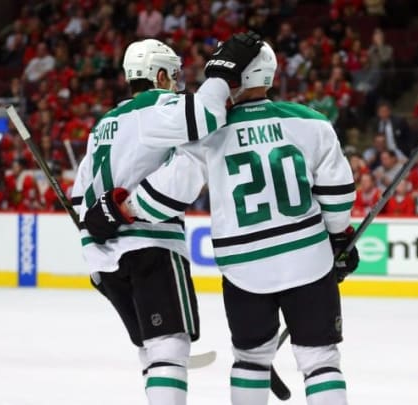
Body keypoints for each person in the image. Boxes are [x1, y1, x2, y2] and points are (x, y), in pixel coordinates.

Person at [121, 42, 358, 405]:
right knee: (320, 360)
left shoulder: (209, 132)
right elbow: (339, 199)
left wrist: (122, 209)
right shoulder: (309, 121)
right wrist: (337, 237)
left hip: (243, 269)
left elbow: (166, 194)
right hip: (309, 260)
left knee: (250, 359)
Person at [75, 33, 264, 405]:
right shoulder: (157, 106)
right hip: (151, 247)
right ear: (158, 76)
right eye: (173, 76)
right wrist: (221, 75)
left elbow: (80, 196)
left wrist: (98, 219)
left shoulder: (103, 126)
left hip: (103, 260)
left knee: (150, 349)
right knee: (169, 348)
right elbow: (207, 115)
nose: (177, 84)